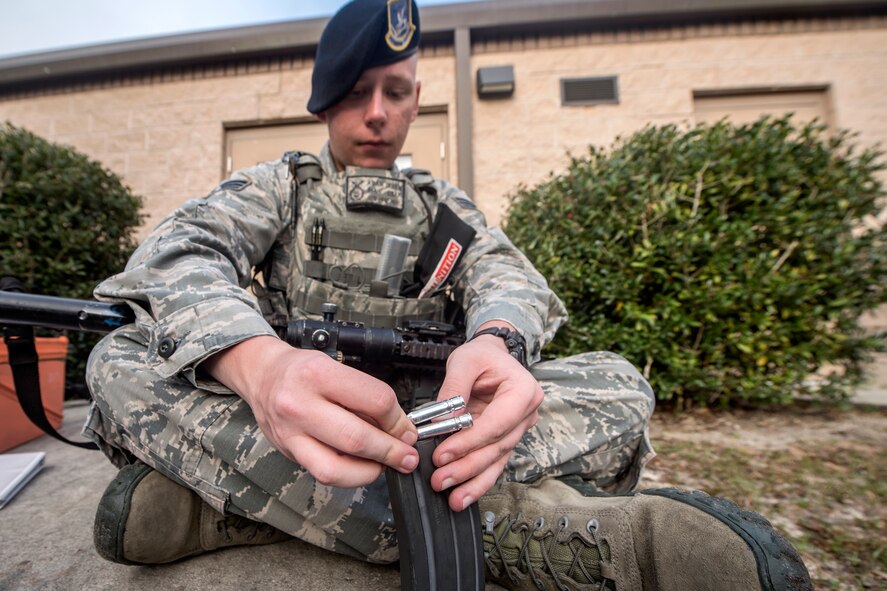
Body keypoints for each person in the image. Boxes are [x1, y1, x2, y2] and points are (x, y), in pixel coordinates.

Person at [84, 1, 813, 589]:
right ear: (322, 103)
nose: (375, 114)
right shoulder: (279, 187)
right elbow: (177, 252)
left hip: (432, 422)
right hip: (292, 416)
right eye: (355, 93)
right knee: (119, 360)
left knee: (621, 386)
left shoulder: (441, 207)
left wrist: (496, 340)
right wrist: (258, 365)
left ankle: (237, 505)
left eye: (394, 92)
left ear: (414, 102)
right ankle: (512, 530)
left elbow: (508, 276)